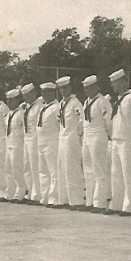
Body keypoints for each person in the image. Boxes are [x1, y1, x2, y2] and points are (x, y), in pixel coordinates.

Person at [107, 69, 131, 216]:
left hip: (127, 139)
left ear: (123, 82)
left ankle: (129, 206)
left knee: (128, 172)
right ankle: (116, 204)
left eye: (115, 83)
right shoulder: (118, 99)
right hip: (116, 139)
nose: (113, 86)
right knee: (115, 173)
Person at [82, 75, 112, 213]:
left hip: (98, 135)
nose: (87, 91)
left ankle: (99, 202)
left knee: (99, 170)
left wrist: (110, 136)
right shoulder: (87, 102)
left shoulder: (102, 101)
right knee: (88, 170)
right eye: (85, 88)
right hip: (87, 136)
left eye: (89, 88)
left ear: (95, 87)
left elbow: (108, 121)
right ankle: (90, 201)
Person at [57, 76, 86, 210]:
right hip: (62, 138)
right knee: (62, 169)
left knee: (72, 169)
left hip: (72, 138)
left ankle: (76, 200)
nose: (63, 91)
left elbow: (81, 119)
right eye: (61, 89)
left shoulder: (75, 102)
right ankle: (64, 199)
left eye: (65, 88)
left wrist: (77, 134)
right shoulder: (62, 103)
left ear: (70, 87)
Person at [37, 82, 61, 207]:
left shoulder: (56, 107)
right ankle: (45, 196)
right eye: (43, 92)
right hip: (41, 142)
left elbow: (60, 126)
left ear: (53, 93)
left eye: (47, 92)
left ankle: (54, 198)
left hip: (52, 142)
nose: (44, 95)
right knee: (43, 172)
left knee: (53, 171)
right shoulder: (44, 107)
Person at [5, 88, 28, 203]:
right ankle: (11, 192)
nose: (9, 102)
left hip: (18, 145)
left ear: (17, 100)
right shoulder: (9, 114)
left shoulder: (21, 113)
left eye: (12, 100)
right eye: (8, 100)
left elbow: (24, 130)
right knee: (9, 170)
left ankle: (21, 192)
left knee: (17, 169)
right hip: (9, 144)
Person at [21, 83, 43, 205]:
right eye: (24, 95)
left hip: (35, 138)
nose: (25, 97)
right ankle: (29, 192)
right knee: (27, 167)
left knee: (35, 167)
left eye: (27, 95)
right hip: (27, 137)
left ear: (34, 94)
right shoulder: (26, 107)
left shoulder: (39, 106)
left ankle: (37, 195)